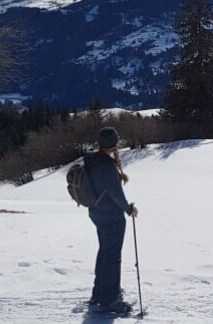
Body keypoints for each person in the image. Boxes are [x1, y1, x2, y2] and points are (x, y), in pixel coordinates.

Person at [84, 127, 139, 314]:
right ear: (115, 143)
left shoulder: (92, 160)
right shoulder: (107, 165)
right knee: (112, 257)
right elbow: (116, 193)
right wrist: (129, 209)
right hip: (111, 216)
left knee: (105, 252)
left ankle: (99, 294)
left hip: (97, 213)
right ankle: (110, 300)